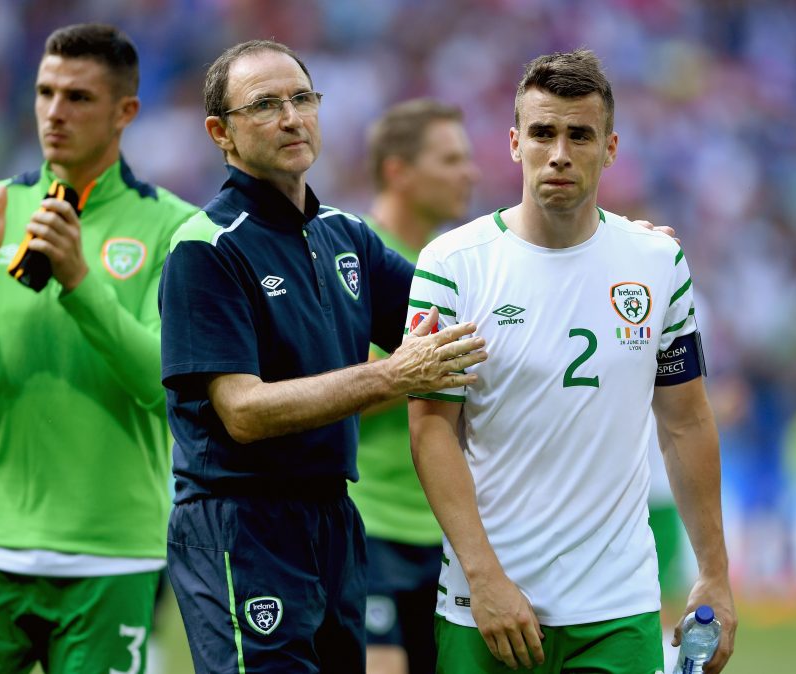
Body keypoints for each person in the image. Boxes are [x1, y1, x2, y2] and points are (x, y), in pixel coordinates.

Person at [157, 40, 487, 674]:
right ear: (219, 134)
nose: (291, 117)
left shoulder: (347, 236)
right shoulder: (206, 248)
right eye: (265, 105)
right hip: (242, 524)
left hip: (334, 519)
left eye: (302, 98)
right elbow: (242, 411)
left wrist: (596, 251)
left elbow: (467, 321)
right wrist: (391, 374)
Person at [406, 48, 737, 674]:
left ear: (609, 149)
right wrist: (484, 578)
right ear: (513, 142)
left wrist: (713, 575)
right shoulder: (452, 264)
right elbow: (430, 430)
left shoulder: (656, 263)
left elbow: (686, 422)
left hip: (616, 609)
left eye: (579, 135)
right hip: (489, 607)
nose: (559, 152)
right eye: (542, 132)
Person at [0, 24, 198, 674]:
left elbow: (163, 385)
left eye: (78, 97)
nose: (54, 112)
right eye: (44, 92)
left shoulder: (173, 227)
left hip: (111, 554)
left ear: (125, 113)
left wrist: (80, 282)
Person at [349, 99, 480, 674]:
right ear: (399, 171)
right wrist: (407, 371)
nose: (469, 173)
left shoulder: (458, 266)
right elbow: (319, 397)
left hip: (449, 529)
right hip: (369, 524)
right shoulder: (347, 258)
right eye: (451, 159)